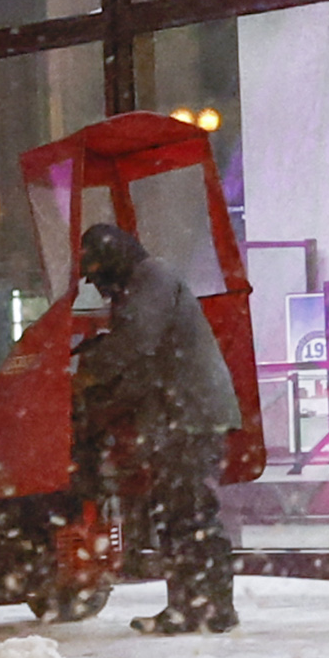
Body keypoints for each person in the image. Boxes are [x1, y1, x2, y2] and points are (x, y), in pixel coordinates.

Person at [75, 220, 240, 635]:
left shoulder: (152, 278)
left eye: (96, 275)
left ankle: (194, 609)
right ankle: (210, 606)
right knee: (190, 513)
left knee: (185, 514)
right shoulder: (151, 283)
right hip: (186, 414)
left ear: (112, 260)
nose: (98, 287)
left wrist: (86, 374)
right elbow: (145, 365)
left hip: (188, 416)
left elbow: (135, 343)